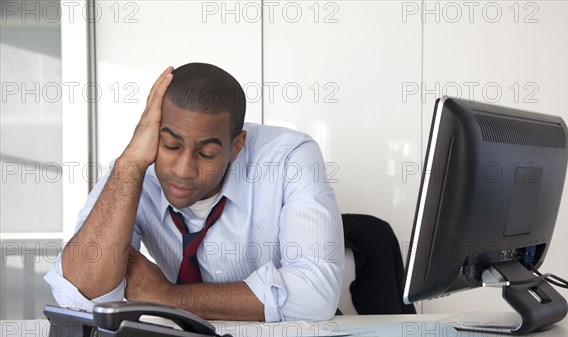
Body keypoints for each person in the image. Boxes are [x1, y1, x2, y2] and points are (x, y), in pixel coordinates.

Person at [44, 63, 344, 322]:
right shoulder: (134, 169)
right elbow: (77, 296)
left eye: (207, 154)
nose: (183, 170)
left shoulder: (290, 158)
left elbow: (316, 294)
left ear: (236, 146)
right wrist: (131, 164)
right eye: (171, 146)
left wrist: (168, 297)